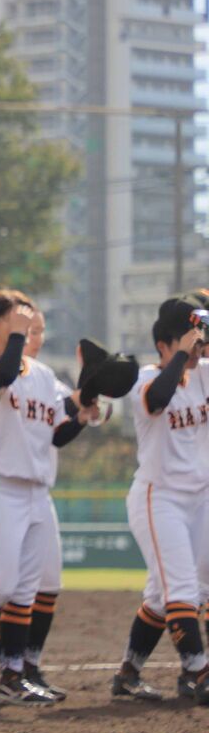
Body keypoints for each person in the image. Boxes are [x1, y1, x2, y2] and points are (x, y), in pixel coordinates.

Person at [0, 290, 98, 706]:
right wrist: (16, 336)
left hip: (37, 491)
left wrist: (81, 414)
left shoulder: (45, 375)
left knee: (26, 590)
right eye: (14, 317)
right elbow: (1, 378)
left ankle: (12, 677)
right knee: (0, 586)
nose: (26, 324)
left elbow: (57, 434)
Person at [110, 295, 209, 704]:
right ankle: (198, 672)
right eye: (188, 342)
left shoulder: (204, 373)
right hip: (159, 498)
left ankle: (128, 674)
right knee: (181, 589)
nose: (197, 350)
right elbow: (157, 400)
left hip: (201, 499)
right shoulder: (144, 379)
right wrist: (183, 351)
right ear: (165, 343)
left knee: (175, 591)